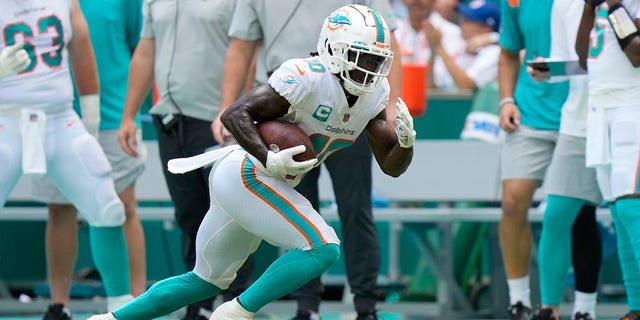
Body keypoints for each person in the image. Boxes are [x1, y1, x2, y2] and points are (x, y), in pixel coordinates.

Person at [88, 5, 415, 320]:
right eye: (360, 58)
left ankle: (111, 319)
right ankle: (235, 312)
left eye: (376, 60)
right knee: (323, 246)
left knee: (205, 280)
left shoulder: (373, 93)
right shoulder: (306, 76)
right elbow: (235, 114)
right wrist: (268, 157)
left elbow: (391, 165)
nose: (368, 69)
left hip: (254, 180)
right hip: (248, 172)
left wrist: (406, 144)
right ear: (332, 48)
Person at [212, 1, 403, 320]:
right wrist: (225, 105)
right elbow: (242, 46)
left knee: (356, 207)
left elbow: (387, 44)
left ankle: (365, 305)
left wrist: (391, 105)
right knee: (297, 207)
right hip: (289, 98)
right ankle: (306, 306)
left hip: (356, 92)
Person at [116, 0, 254, 318]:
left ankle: (236, 302)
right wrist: (129, 115)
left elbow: (248, 50)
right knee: (189, 217)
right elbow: (146, 51)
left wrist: (237, 110)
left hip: (217, 122)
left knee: (231, 216)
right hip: (171, 122)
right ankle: (200, 302)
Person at [0, 0, 133, 313]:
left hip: (60, 119)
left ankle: (120, 309)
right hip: (5, 121)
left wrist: (90, 123)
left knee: (106, 205)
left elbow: (83, 54)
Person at [27, 1, 151, 318]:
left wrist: (131, 115)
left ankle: (135, 304)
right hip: (46, 118)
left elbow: (143, 50)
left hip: (114, 118)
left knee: (122, 207)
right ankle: (59, 305)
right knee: (58, 210)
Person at [497, 0, 602, 318]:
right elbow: (508, 51)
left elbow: (591, 59)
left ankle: (583, 309)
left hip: (583, 115)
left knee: (579, 214)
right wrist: (506, 101)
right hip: (530, 115)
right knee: (513, 202)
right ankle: (520, 301)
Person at [576, 0, 640, 318]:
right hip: (601, 109)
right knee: (617, 209)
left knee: (632, 208)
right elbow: (582, 58)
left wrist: (614, 6)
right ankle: (636, 306)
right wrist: (590, 7)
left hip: (633, 104)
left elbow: (637, 52)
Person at [425, 0, 501, 90]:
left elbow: (467, 87)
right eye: (463, 18)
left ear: (486, 28)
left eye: (468, 20)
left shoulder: (493, 52)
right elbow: (431, 87)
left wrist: (439, 48)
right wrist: (434, 51)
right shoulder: (462, 46)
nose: (462, 23)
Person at [394, 0, 466, 88]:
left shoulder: (453, 33)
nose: (416, 1)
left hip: (435, 100)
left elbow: (444, 83)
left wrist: (436, 48)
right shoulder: (392, 30)